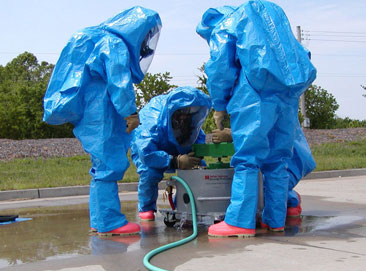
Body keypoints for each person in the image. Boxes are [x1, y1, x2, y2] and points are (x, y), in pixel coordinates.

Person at [196, 0, 317, 237]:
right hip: (287, 98)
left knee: (248, 159)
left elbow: (220, 68)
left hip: (254, 96)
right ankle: (275, 220)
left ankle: (240, 221)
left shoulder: (228, 23)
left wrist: (219, 105)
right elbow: (302, 55)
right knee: (277, 161)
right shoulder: (272, 21)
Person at [43, 7, 162, 236]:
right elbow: (119, 82)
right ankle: (110, 223)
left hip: (91, 110)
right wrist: (130, 113)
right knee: (109, 165)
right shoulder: (114, 44)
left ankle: (99, 221)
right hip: (103, 110)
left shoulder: (94, 38)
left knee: (100, 168)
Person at [130, 86, 211, 221]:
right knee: (150, 172)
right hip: (150, 151)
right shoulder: (152, 123)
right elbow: (146, 153)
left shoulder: (190, 121)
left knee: (199, 169)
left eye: (190, 114)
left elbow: (198, 137)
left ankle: (184, 204)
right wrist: (175, 161)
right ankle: (146, 208)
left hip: (176, 145)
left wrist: (197, 156)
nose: (185, 118)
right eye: (182, 114)